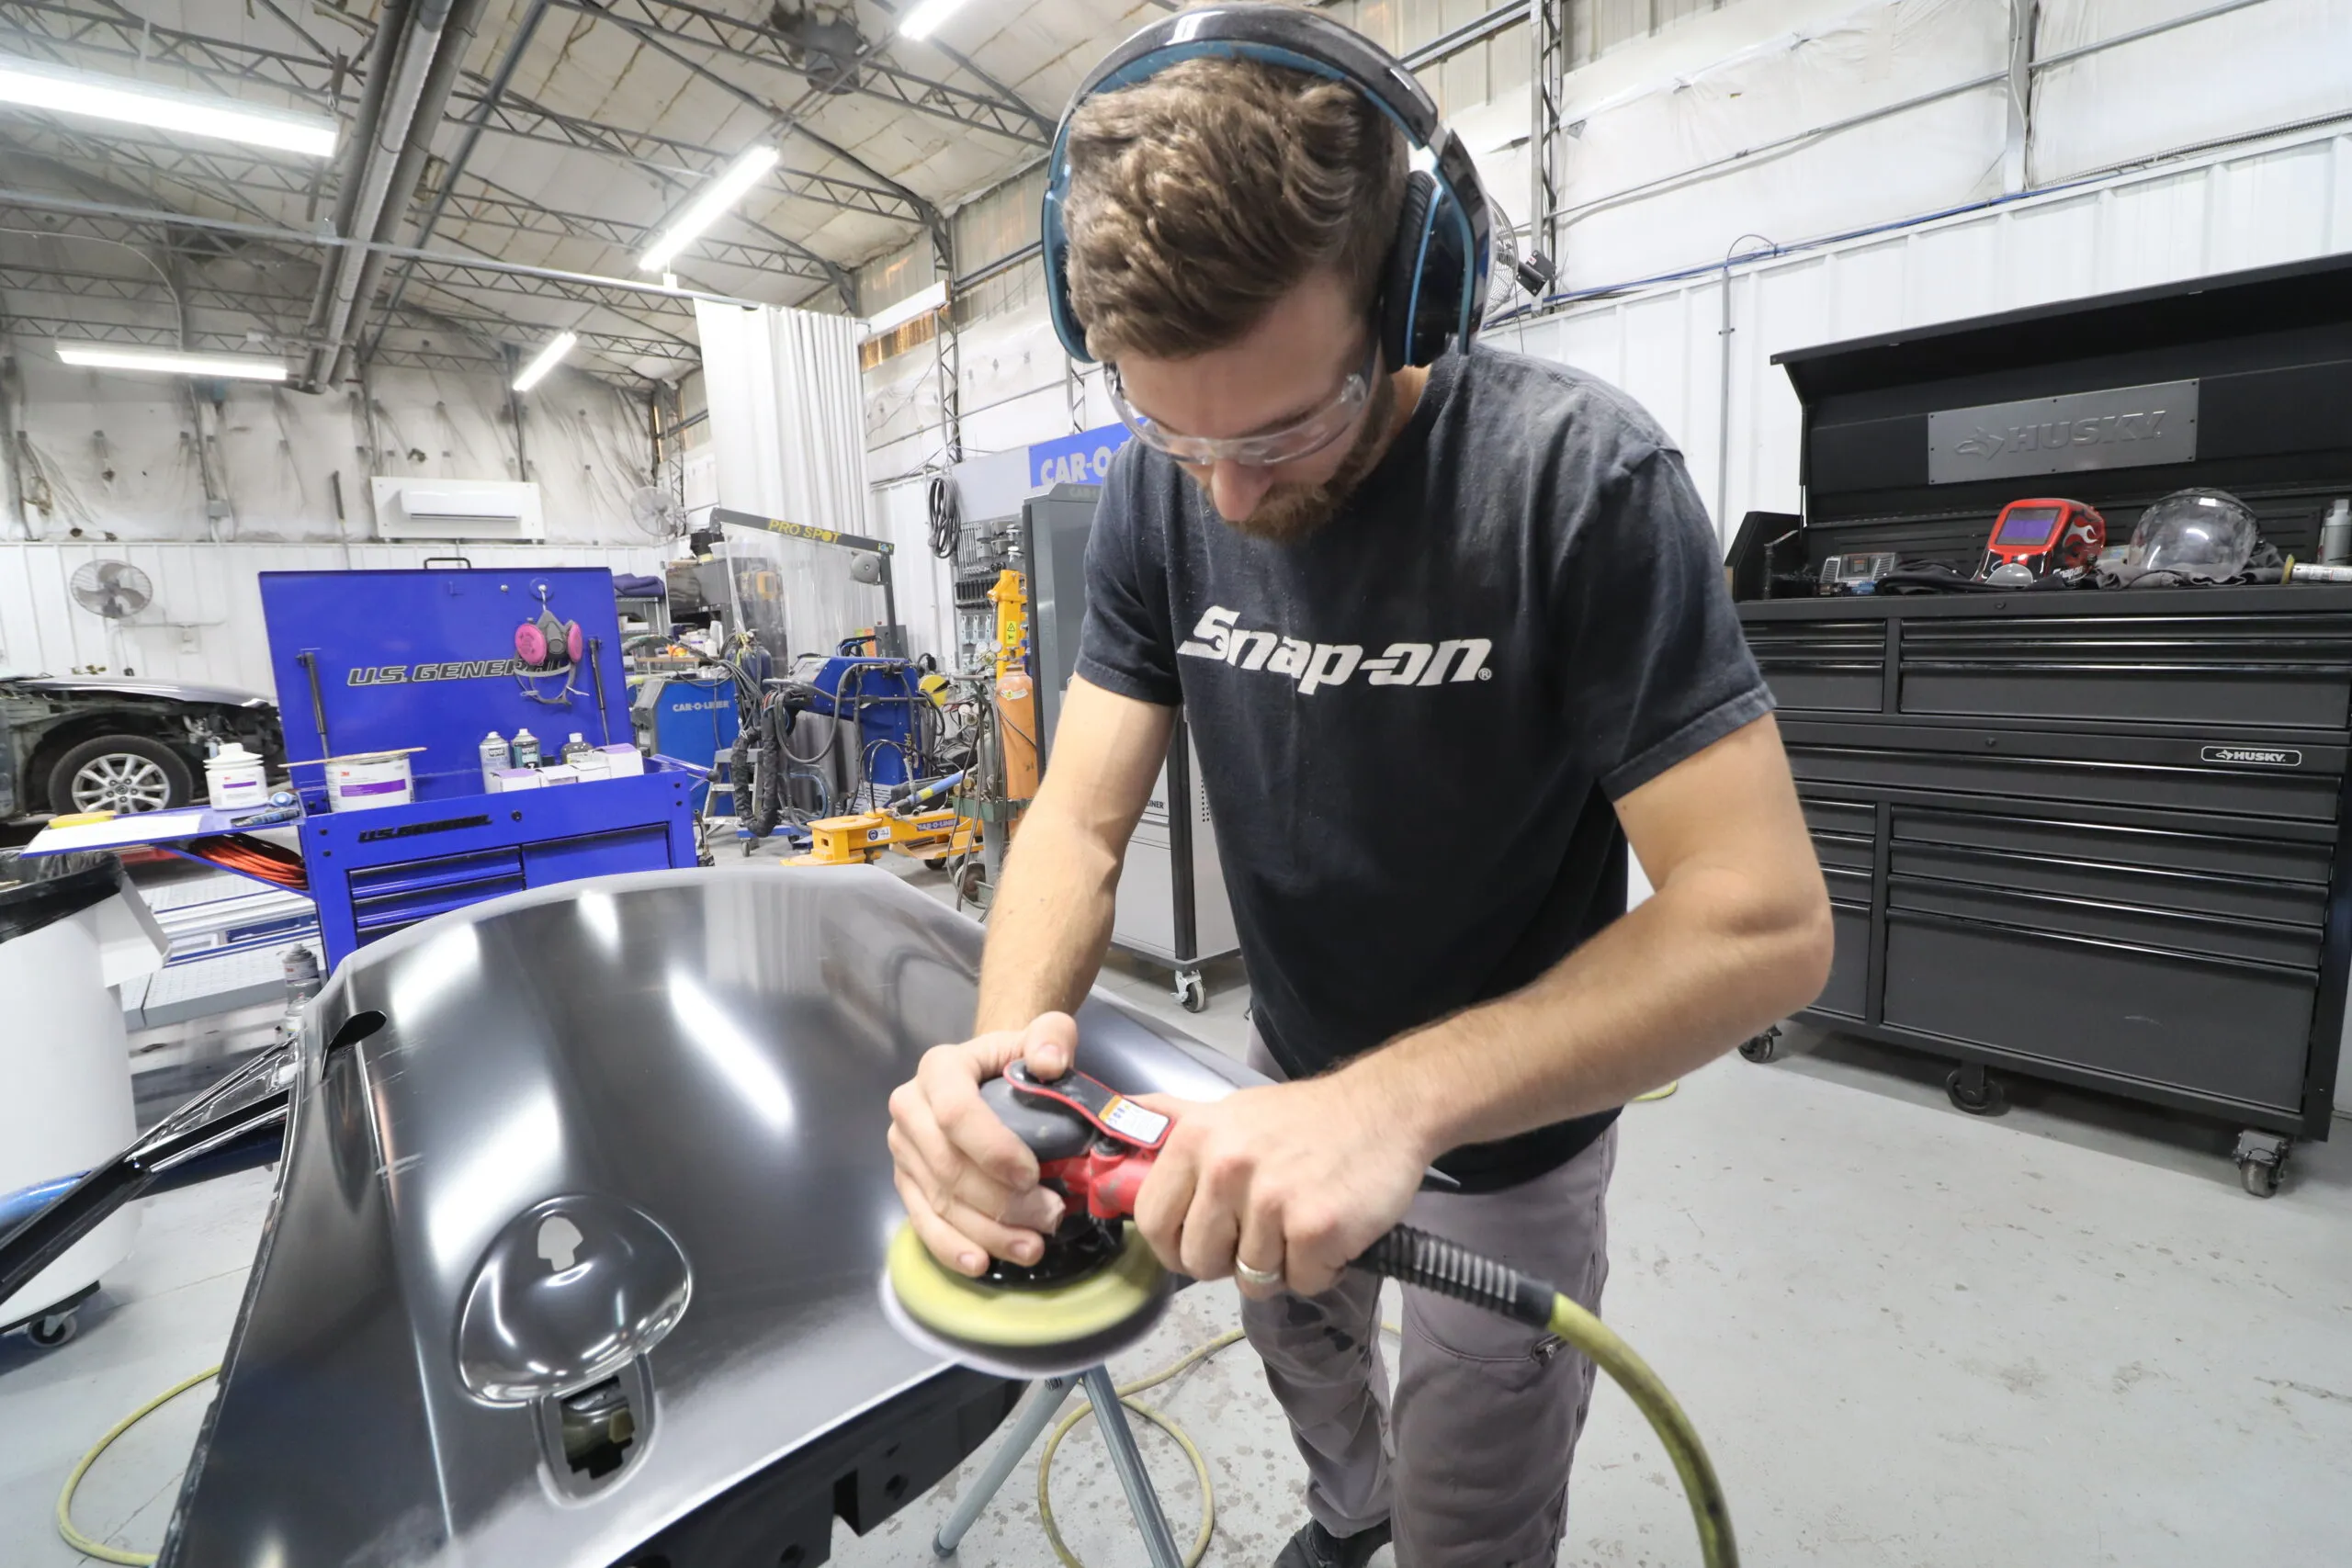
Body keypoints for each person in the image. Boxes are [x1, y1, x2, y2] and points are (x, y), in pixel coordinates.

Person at [886, 8, 1833, 1564]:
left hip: (1505, 1137)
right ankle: (1347, 1514)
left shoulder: (1574, 487)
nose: (1234, 492)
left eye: (1287, 425)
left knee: (1471, 1511)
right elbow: (1079, 814)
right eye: (1177, 435)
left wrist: (1395, 1103)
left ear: (1414, 299)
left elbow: (1766, 923)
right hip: (1277, 1076)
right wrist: (995, 1075)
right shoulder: (1157, 495)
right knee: (1305, 1359)